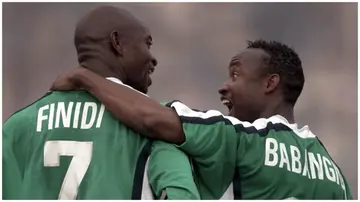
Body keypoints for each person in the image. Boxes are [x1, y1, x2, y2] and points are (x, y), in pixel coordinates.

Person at [51, 39, 353, 199]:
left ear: (270, 84)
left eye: (235, 75)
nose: (224, 86)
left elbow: (152, 119)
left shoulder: (242, 138)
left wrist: (86, 78)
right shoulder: (336, 177)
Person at [3, 6, 200, 200]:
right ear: (117, 42)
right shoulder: (158, 127)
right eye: (147, 44)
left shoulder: (16, 127)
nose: (153, 58)